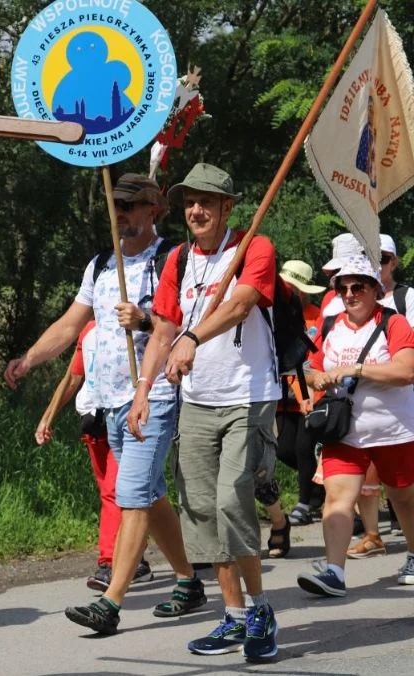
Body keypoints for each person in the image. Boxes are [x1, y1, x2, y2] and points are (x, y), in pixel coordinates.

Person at [5, 174, 201, 636]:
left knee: (132, 492)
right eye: (116, 206)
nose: (121, 215)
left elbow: (187, 325)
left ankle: (111, 602)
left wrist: (146, 318)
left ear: (153, 209)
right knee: (149, 496)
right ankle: (189, 581)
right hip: (109, 400)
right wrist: (29, 359)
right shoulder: (99, 266)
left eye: (131, 206)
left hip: (153, 396)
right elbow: (71, 323)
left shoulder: (173, 259)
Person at [128, 163, 280, 661]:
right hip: (196, 401)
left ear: (227, 208)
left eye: (207, 202)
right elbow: (164, 329)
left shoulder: (253, 248)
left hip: (248, 396)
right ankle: (233, 616)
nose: (196, 209)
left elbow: (239, 306)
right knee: (201, 512)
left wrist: (193, 337)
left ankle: (260, 610)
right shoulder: (176, 260)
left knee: (232, 501)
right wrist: (144, 388)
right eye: (190, 201)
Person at [296, 254, 414, 597]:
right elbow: (309, 366)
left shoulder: (394, 324)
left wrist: (355, 370)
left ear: (375, 289)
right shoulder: (331, 325)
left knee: (404, 498)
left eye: (358, 286)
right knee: (337, 498)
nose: (349, 293)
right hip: (344, 431)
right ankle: (334, 572)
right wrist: (315, 377)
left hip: (394, 429)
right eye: (342, 287)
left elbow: (406, 371)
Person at [33, 320, 153, 590]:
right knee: (114, 494)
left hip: (127, 415)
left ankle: (110, 563)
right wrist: (47, 418)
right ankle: (138, 559)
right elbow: (74, 377)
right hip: (94, 419)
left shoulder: (134, 320)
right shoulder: (88, 329)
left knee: (116, 492)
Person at [275, 260, 326, 529]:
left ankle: (304, 503)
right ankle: (319, 486)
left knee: (304, 448)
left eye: (295, 287)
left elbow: (315, 355)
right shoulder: (273, 313)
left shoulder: (316, 316)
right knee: (283, 450)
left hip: (307, 391)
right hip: (281, 394)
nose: (291, 291)